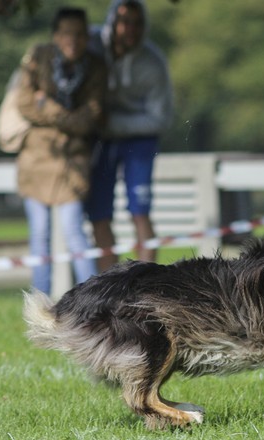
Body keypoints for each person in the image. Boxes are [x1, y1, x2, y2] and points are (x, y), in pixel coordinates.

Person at [15, 7, 107, 295]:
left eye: (80, 34)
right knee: (39, 236)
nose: (73, 40)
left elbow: (91, 117)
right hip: (37, 161)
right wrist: (67, 115)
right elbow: (24, 103)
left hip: (73, 164)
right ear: (56, 35)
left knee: (75, 234)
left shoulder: (96, 67)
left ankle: (89, 304)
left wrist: (50, 108)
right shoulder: (38, 56)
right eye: (67, 33)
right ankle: (40, 305)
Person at [85, 0, 173, 271]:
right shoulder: (92, 45)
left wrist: (113, 124)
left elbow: (161, 117)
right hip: (98, 139)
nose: (130, 29)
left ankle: (144, 284)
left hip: (139, 139)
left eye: (137, 23)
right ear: (112, 22)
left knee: (140, 210)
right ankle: (105, 284)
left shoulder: (153, 63)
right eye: (124, 22)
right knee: (99, 213)